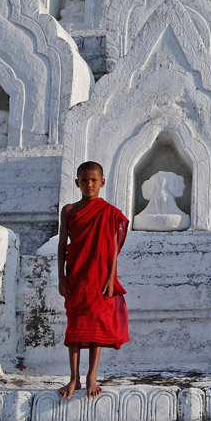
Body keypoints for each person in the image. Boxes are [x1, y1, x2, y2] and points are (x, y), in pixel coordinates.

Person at [57, 161, 129, 398]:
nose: (89, 185)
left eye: (94, 180)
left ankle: (91, 376)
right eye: (84, 180)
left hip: (99, 277)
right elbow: (61, 247)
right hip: (76, 276)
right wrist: (61, 278)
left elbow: (112, 248)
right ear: (77, 182)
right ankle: (73, 378)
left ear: (102, 183)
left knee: (95, 328)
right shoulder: (69, 210)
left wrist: (110, 279)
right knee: (76, 328)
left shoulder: (108, 212)